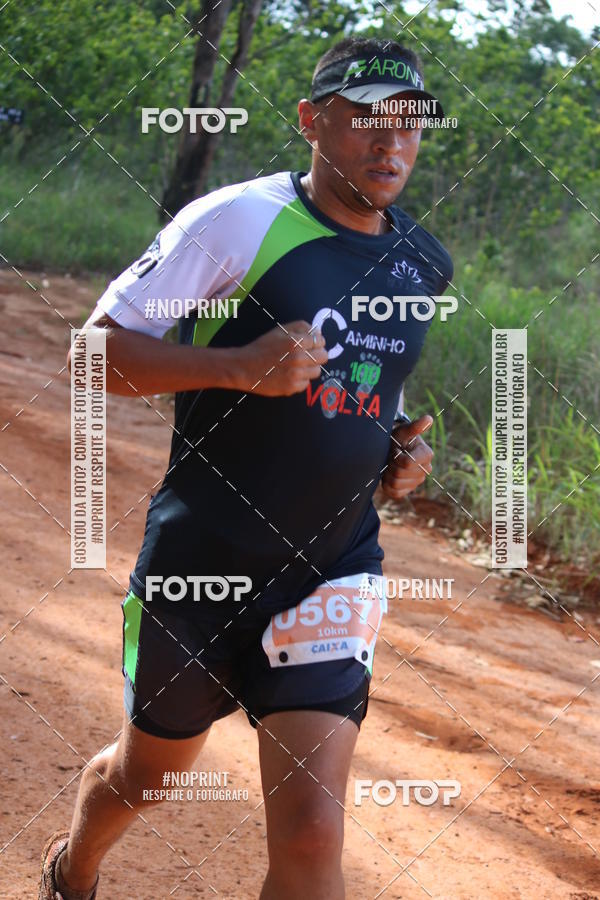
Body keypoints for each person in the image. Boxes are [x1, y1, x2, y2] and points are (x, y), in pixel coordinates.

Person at [40, 35, 453, 900]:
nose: (390, 146)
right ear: (310, 122)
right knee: (149, 776)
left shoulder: (422, 263)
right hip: (201, 567)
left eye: (409, 126)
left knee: (310, 835)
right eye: (365, 123)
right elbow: (91, 359)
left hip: (331, 570)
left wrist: (395, 455)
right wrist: (235, 368)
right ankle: (72, 870)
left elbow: (374, 387)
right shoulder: (236, 222)